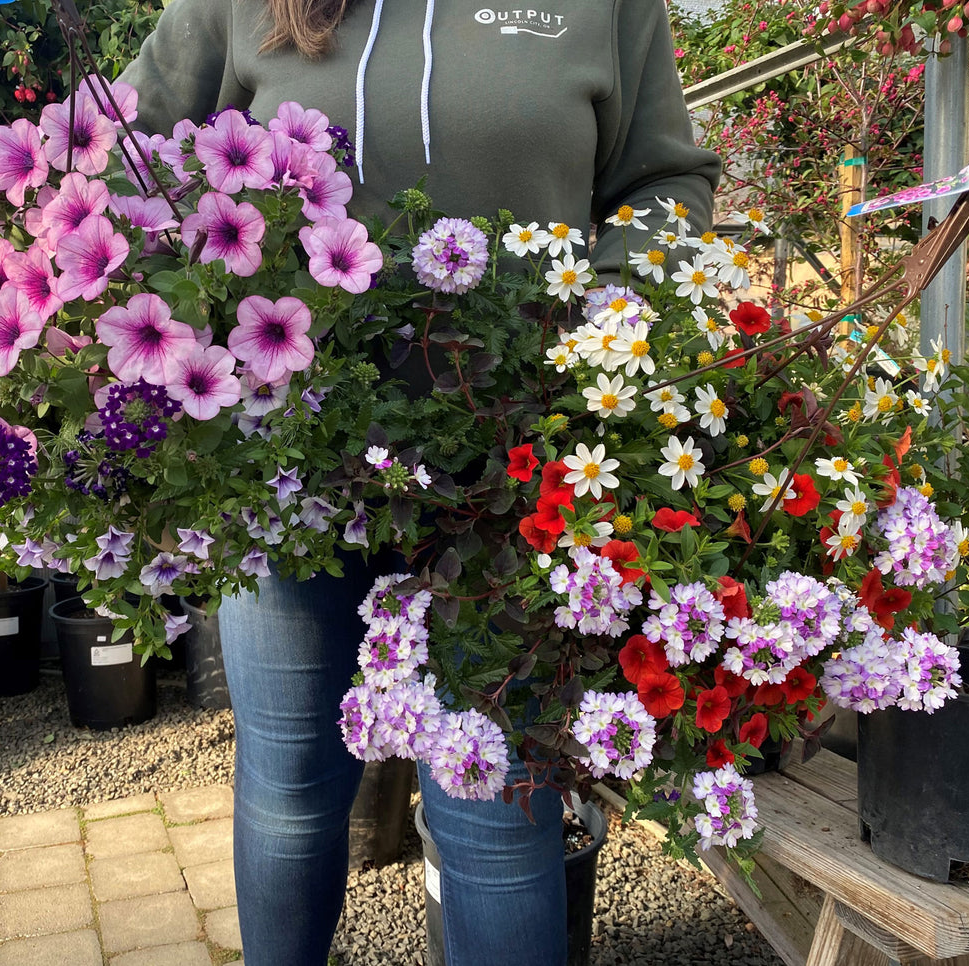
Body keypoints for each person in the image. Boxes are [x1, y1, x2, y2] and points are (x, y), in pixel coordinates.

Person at [119, 3, 720, 963]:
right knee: (287, 796)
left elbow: (666, 177)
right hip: (289, 477)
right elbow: (125, 152)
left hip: (509, 482)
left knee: (492, 822)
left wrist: (604, 316)